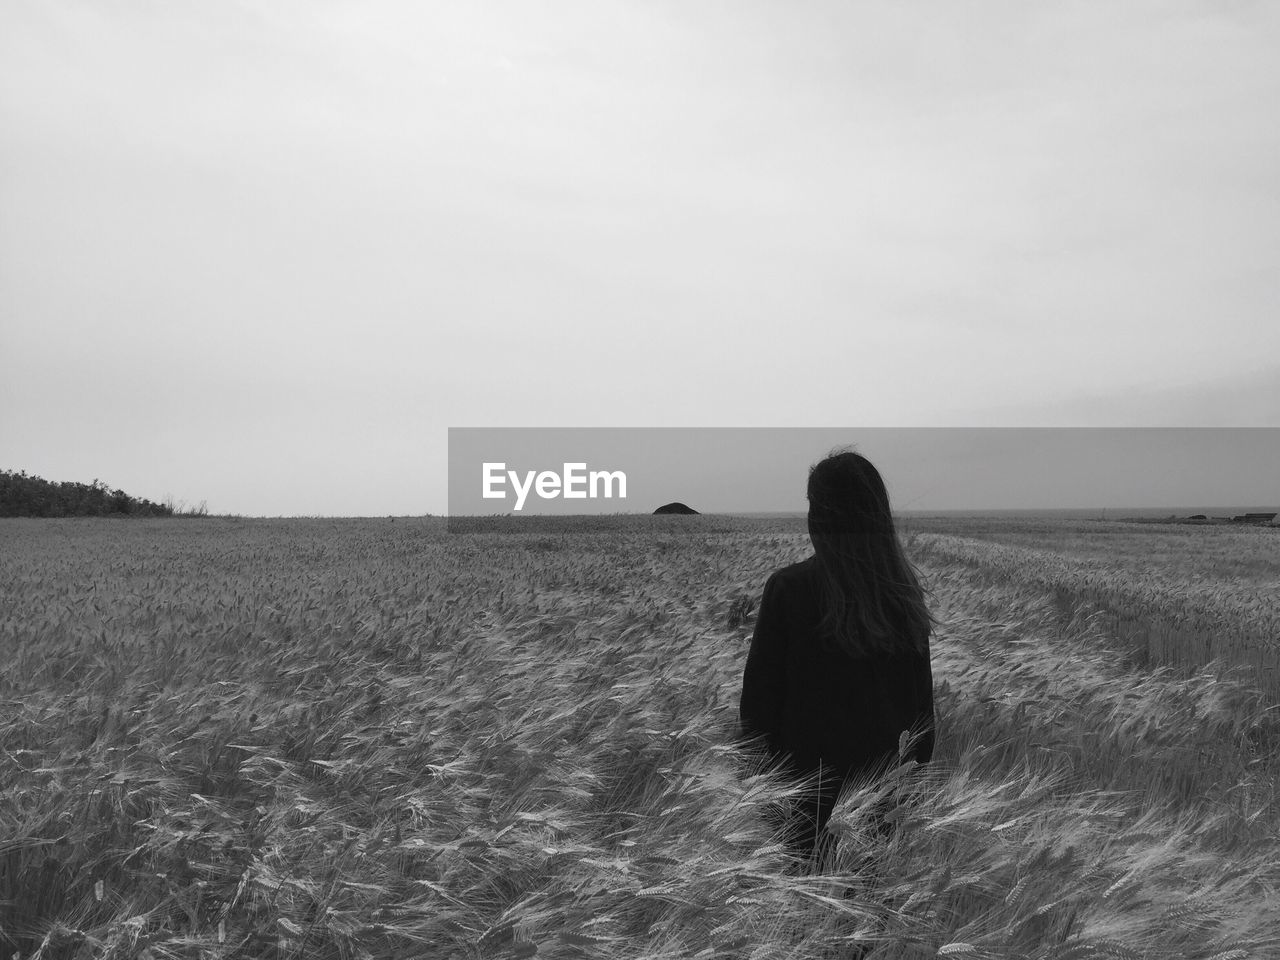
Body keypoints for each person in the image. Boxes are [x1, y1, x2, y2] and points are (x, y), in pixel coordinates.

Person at [739, 448, 936, 872]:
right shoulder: (903, 601)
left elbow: (757, 717)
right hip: (881, 814)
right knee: (869, 930)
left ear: (823, 518)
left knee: (805, 931)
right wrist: (904, 804)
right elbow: (923, 726)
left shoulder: (790, 591)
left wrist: (762, 802)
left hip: (803, 815)